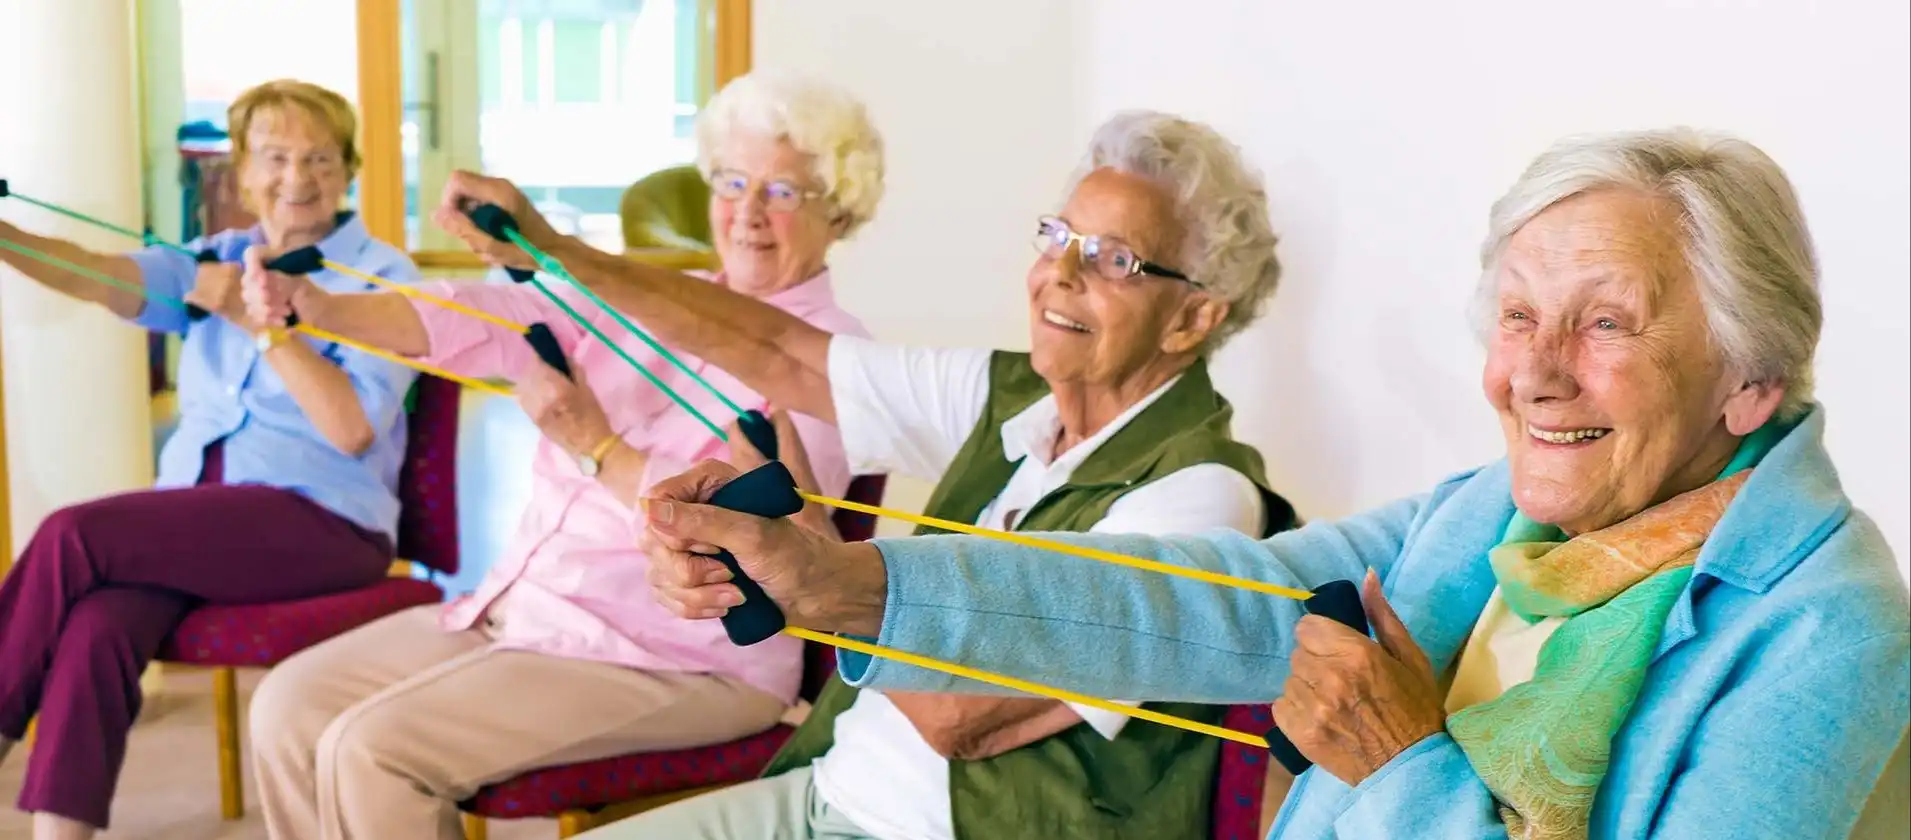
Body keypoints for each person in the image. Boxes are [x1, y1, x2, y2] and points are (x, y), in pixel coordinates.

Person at [634, 127, 1911, 839]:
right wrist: (852, 584)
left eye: (1607, 324)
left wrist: (1406, 765)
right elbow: (1189, 602)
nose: (1537, 376)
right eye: (1518, 318)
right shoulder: (1495, 511)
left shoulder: (1828, 629)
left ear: (1749, 378)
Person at [431, 109, 1297, 840]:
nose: (1057, 275)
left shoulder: (1197, 496)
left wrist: (817, 580)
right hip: (829, 789)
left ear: (1193, 317)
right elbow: (773, 345)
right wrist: (553, 250)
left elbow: (964, 717)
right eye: (1057, 237)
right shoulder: (1010, 398)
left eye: (1113, 259)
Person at [237, 71, 878, 840]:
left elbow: (743, 538)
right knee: (288, 705)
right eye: (733, 181)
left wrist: (596, 446)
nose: (745, 213)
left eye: (781, 192)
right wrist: (321, 309)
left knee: (370, 750)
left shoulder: (832, 362)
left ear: (837, 211)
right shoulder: (663, 298)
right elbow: (495, 316)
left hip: (675, 656)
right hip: (527, 608)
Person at [0, 80, 420, 840]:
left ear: (350, 169)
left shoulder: (384, 278)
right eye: (277, 156)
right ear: (243, 172)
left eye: (320, 157)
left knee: (74, 534)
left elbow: (353, 429)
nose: (298, 178)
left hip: (324, 524)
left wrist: (258, 322)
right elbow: (91, 273)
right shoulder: (211, 259)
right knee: (98, 622)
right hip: (203, 527)